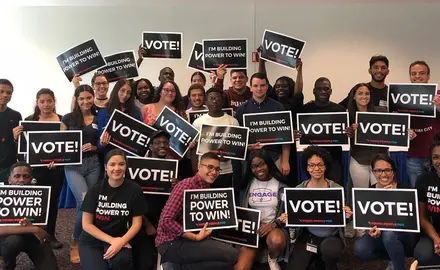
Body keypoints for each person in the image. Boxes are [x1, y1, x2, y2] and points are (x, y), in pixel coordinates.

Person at [155, 152, 239, 269]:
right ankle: (174, 267)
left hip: (192, 241)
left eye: (217, 169)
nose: (214, 172)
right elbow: (166, 220)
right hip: (171, 243)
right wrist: (193, 237)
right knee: (232, 255)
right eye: (210, 167)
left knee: (228, 261)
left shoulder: (206, 187)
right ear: (199, 166)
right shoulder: (185, 186)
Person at [79, 149, 148, 270]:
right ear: (106, 167)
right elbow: (86, 224)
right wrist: (113, 241)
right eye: (112, 164)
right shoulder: (95, 190)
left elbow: (137, 223)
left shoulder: (135, 190)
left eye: (121, 164)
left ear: (126, 166)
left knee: (122, 260)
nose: (117, 168)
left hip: (120, 236)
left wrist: (120, 242)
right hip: (92, 240)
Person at [289, 146, 352, 270]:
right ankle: (317, 258)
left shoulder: (336, 189)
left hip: (331, 236)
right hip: (309, 235)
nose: (316, 168)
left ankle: (327, 262)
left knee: (330, 252)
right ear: (307, 168)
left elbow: (344, 219)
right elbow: (295, 222)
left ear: (325, 166)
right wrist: (289, 218)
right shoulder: (299, 190)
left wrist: (347, 216)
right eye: (311, 165)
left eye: (320, 165)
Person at [354, 154, 417, 270]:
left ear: (393, 172)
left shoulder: (406, 190)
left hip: (404, 236)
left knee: (389, 234)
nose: (383, 174)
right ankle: (393, 257)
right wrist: (370, 230)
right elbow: (365, 223)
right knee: (361, 248)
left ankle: (399, 267)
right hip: (379, 235)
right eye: (378, 170)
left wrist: (394, 196)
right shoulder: (368, 193)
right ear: (373, 172)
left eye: (387, 170)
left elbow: (411, 222)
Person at [62, 85, 102, 263]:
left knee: (88, 204)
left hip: (93, 164)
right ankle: (75, 243)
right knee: (85, 201)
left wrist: (95, 147)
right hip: (73, 166)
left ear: (93, 97)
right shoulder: (68, 118)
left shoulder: (100, 116)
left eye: (88, 97)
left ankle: (86, 239)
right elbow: (59, 145)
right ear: (76, 100)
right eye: (81, 98)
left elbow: (105, 142)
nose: (86, 101)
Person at [20, 88, 64, 249]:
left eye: (49, 101)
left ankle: (50, 235)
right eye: (42, 101)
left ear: (54, 102)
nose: (46, 104)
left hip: (54, 170)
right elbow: (23, 147)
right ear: (37, 103)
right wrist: (16, 137)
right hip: (35, 169)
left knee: (52, 203)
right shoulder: (28, 120)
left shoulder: (61, 120)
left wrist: (58, 161)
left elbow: (64, 146)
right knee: (35, 202)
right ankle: (32, 235)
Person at [235, 150, 291, 270]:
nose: (258, 169)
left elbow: (289, 212)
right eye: (254, 166)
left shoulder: (281, 185)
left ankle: (272, 257)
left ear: (268, 164)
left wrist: (274, 224)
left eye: (261, 164)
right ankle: (258, 251)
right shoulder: (246, 186)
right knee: (241, 267)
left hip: (275, 227)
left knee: (276, 241)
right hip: (253, 229)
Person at [0, 162, 59, 270]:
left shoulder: (41, 195)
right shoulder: (2, 196)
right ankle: (8, 264)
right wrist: (32, 228)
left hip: (33, 238)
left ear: (31, 179)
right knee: (13, 242)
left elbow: (44, 233)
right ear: (10, 179)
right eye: (17, 176)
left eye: (26, 176)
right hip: (9, 238)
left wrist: (35, 229)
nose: (21, 180)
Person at [235, 73, 291, 177]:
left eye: (262, 85)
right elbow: (238, 139)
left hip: (275, 158)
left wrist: (285, 161)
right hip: (251, 160)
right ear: (250, 88)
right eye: (255, 86)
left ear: (267, 87)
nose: (259, 89)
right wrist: (249, 147)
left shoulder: (278, 107)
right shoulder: (242, 109)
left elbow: (286, 137)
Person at [297, 77, 346, 185]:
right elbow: (297, 133)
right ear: (314, 91)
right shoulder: (304, 110)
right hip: (311, 161)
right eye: (319, 89)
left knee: (335, 192)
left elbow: (346, 136)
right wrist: (295, 135)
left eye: (326, 88)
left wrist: (348, 133)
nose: (323, 91)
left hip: (334, 159)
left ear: (331, 91)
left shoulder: (340, 110)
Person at [141, 80, 193, 178]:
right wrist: (148, 128)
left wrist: (189, 143)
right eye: (167, 90)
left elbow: (185, 138)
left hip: (173, 161)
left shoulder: (180, 112)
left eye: (173, 91)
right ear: (160, 91)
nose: (170, 93)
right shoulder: (146, 108)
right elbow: (140, 133)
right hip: (150, 159)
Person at [192, 87, 239, 188]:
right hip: (205, 173)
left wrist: (228, 156)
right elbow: (194, 149)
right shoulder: (198, 122)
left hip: (226, 170)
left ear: (222, 101)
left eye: (217, 98)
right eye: (211, 98)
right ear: (206, 102)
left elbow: (237, 148)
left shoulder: (233, 121)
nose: (214, 101)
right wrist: (195, 169)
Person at [406, 61, 440, 187]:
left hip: (436, 154)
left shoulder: (438, 96)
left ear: (428, 76)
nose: (417, 76)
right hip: (414, 155)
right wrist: (404, 130)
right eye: (413, 73)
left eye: (422, 73)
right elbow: (396, 120)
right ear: (410, 76)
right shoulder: (401, 97)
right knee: (417, 194)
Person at [414, 133, 440, 266]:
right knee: (421, 254)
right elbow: (422, 217)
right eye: (436, 157)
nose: (439, 162)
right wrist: (436, 238)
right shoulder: (424, 180)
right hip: (434, 229)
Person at [98, 79, 142, 156]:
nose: (125, 95)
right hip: (111, 157)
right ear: (116, 91)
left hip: (131, 157)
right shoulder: (104, 113)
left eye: (128, 93)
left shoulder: (136, 111)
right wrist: (102, 143)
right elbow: (98, 143)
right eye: (122, 90)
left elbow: (140, 135)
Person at [0, 79, 22, 183]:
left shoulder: (16, 115)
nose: (5, 95)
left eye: (9, 93)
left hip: (8, 167)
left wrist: (16, 138)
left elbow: (20, 144)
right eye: (1, 91)